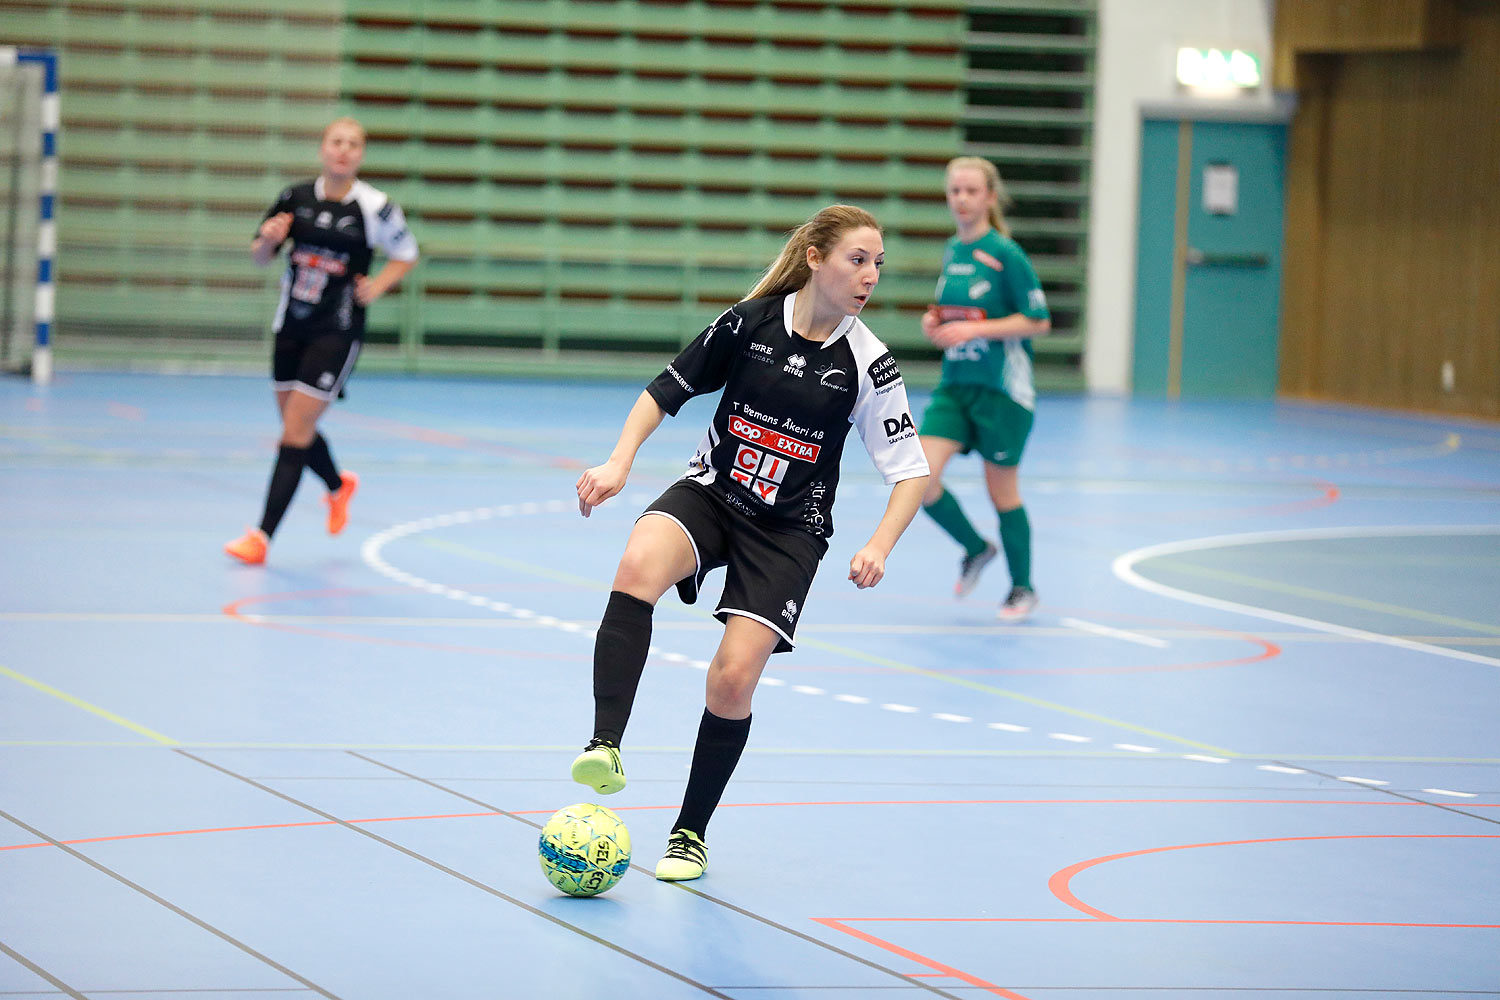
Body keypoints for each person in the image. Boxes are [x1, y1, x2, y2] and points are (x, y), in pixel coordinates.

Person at [571, 205, 930, 882]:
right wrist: (619, 461)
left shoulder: (867, 362)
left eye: (879, 264)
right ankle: (606, 744)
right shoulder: (749, 322)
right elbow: (666, 389)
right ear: (817, 257)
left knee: (732, 679)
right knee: (638, 560)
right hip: (714, 492)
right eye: (858, 259)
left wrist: (880, 543)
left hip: (789, 529)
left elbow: (910, 470)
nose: (870, 276)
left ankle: (688, 833)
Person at [225, 117, 418, 565]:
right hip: (290, 325)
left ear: (361, 154)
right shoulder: (295, 198)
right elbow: (260, 257)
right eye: (337, 142)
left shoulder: (374, 207)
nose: (344, 150)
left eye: (353, 144)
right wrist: (267, 241)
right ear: (323, 149)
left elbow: (406, 253)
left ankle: (261, 536)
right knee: (296, 426)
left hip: (337, 331)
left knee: (294, 434)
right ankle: (338, 485)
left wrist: (380, 284)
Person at [916, 156, 1050, 621]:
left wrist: (976, 331)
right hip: (956, 388)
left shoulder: (1006, 254)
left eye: (972, 191)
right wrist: (936, 323)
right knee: (918, 478)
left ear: (990, 197)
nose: (963, 199)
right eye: (955, 191)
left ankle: (1022, 588)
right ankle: (975, 548)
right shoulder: (953, 250)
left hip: (1002, 393)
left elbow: (1038, 320)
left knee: (1002, 493)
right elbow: (956, 314)